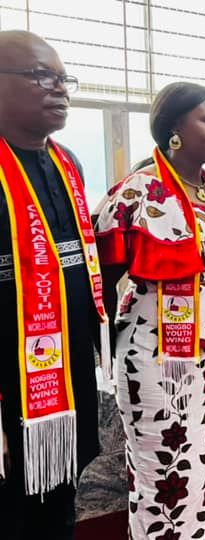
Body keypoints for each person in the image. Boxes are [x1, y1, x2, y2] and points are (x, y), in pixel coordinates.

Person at [95, 82, 205, 540]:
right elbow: (102, 275)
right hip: (154, 351)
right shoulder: (136, 193)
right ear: (175, 127)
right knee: (165, 463)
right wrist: (106, 346)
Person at [0, 30, 106, 539]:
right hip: (6, 373)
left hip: (63, 367)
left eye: (65, 79)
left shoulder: (69, 165)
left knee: (60, 490)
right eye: (42, 76)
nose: (59, 89)